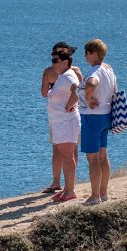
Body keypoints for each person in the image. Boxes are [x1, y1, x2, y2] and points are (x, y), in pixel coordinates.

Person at [40, 42, 83, 193]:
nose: (53, 63)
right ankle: (70, 183)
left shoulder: (49, 72)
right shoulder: (76, 71)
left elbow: (44, 93)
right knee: (71, 151)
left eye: (55, 59)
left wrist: (67, 105)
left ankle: (60, 183)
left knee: (61, 151)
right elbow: (82, 88)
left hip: (65, 118)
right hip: (65, 116)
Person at [79, 38, 118, 205]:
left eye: (87, 53)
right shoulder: (108, 70)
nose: (85, 56)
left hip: (92, 117)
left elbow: (91, 83)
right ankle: (103, 192)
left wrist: (89, 98)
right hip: (106, 115)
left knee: (93, 158)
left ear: (94, 53)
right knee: (103, 156)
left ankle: (95, 196)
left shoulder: (95, 71)